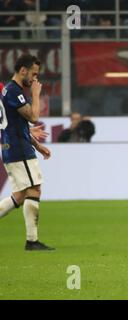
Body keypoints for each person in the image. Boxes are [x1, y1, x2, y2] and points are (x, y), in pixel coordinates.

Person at [0, 54, 54, 251]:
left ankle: (32, 241)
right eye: (33, 74)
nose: (34, 79)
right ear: (23, 70)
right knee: (34, 189)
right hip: (18, 150)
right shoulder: (14, 91)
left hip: (13, 147)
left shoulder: (8, 91)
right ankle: (32, 241)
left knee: (21, 195)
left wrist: (38, 146)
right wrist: (36, 94)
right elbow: (33, 117)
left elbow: (18, 125)